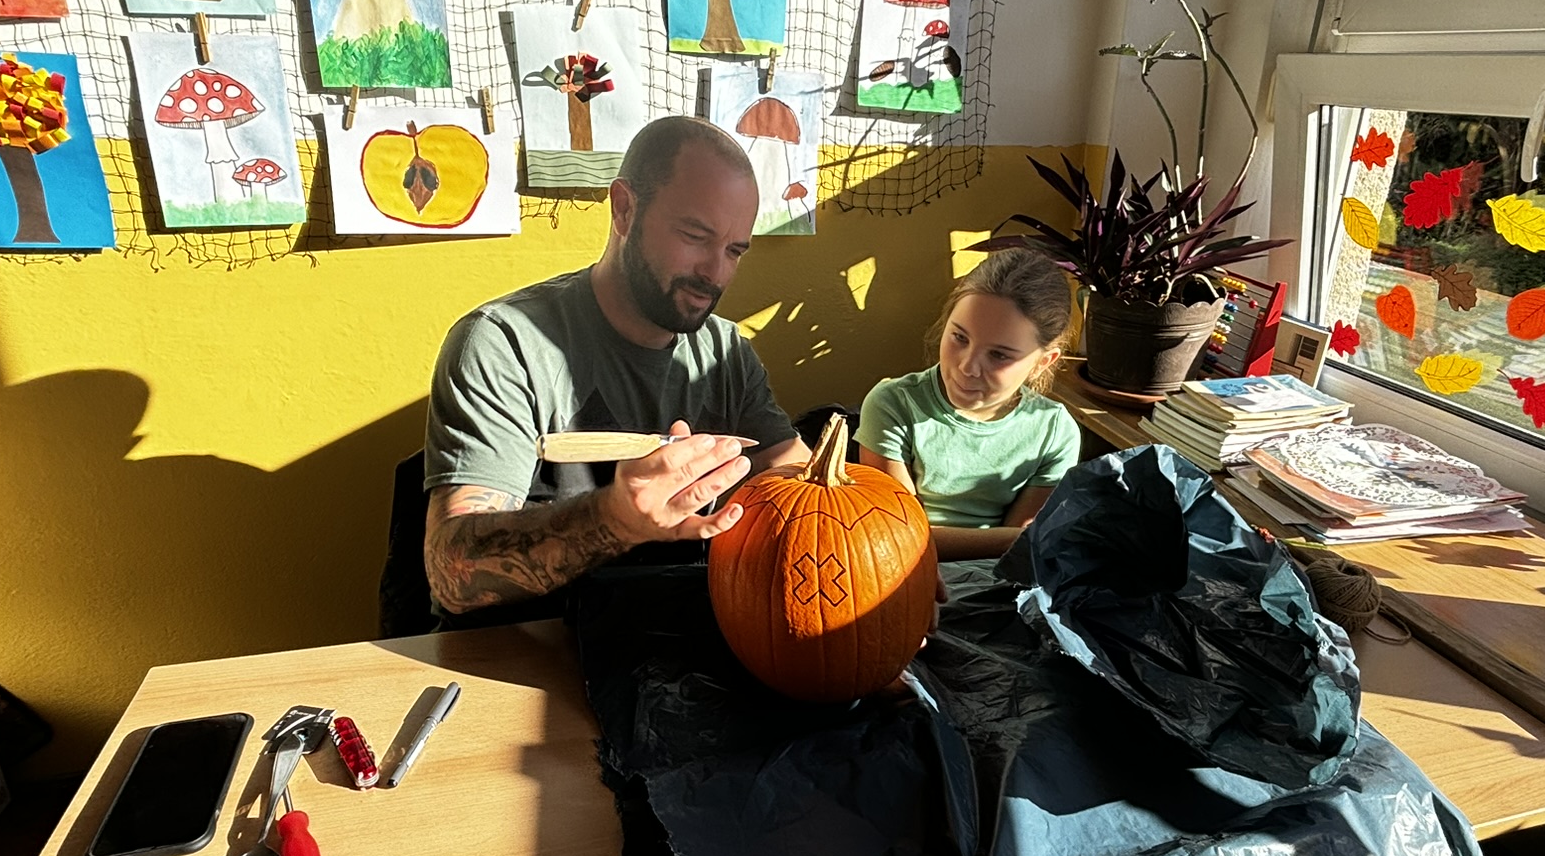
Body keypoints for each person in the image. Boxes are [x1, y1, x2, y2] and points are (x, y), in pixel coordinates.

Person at [422, 116, 809, 624]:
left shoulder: (726, 352)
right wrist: (615, 520)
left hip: (677, 644)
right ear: (624, 208)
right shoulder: (505, 344)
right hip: (522, 652)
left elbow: (799, 480)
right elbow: (452, 573)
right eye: (695, 235)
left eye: (734, 251)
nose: (715, 273)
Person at [855, 248, 1081, 560]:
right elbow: (898, 535)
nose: (967, 367)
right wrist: (1015, 540)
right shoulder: (893, 405)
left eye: (999, 355)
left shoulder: (1055, 432)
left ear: (1043, 362)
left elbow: (1018, 554)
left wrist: (1020, 542)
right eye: (960, 338)